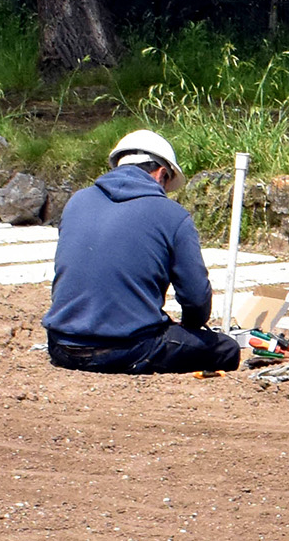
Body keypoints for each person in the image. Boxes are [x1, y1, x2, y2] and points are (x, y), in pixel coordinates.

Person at [41, 130, 242, 376]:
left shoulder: (77, 202)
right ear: (162, 174)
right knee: (227, 350)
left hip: (62, 346)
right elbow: (196, 297)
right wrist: (190, 328)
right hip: (128, 349)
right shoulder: (172, 215)